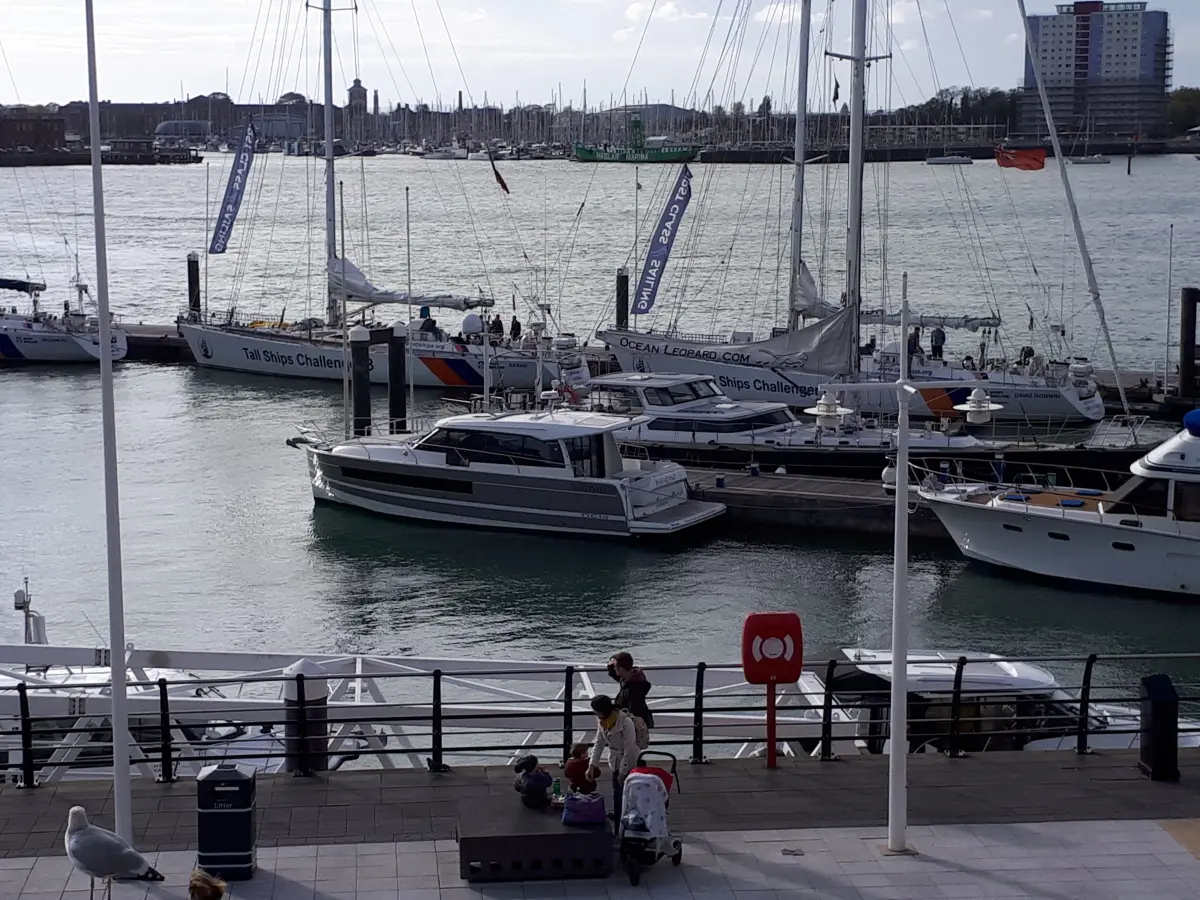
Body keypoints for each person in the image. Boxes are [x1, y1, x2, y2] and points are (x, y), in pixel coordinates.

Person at [587, 694, 640, 826]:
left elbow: (630, 748)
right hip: (615, 760)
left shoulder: (626, 722)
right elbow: (598, 743)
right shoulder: (603, 721)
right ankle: (619, 819)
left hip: (628, 760)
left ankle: (625, 822)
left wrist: (623, 771)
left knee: (625, 793)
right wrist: (592, 765)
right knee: (617, 792)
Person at [608, 652, 654, 729]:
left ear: (621, 669)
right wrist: (611, 663)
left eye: (615, 666)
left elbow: (634, 712)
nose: (614, 668)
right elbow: (614, 673)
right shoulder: (628, 678)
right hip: (629, 723)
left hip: (632, 726)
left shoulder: (634, 689)